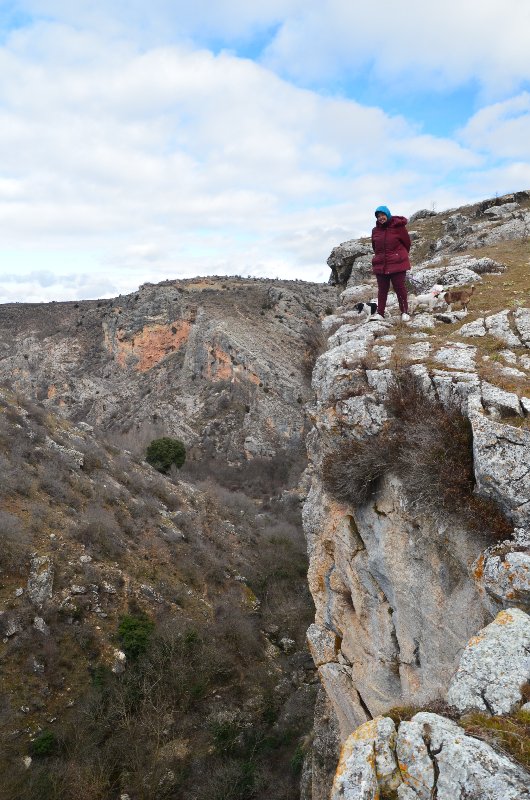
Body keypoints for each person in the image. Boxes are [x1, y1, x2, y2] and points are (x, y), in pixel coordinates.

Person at [370, 205, 411, 321]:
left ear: (387, 214)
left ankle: (405, 312)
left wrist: (399, 256)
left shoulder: (399, 227)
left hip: (397, 264)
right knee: (382, 290)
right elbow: (375, 247)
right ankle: (380, 313)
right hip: (381, 265)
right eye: (378, 216)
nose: (380, 218)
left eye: (382, 215)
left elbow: (407, 244)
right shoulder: (375, 231)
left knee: (400, 288)